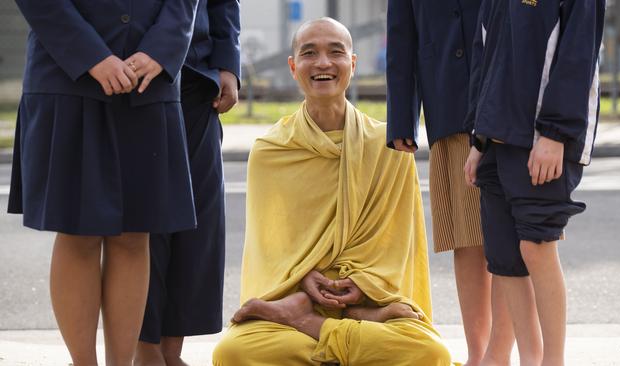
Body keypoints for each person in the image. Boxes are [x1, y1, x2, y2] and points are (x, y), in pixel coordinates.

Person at [212, 18, 457, 366]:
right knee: (233, 353)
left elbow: (398, 244)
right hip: (296, 297)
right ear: (294, 66)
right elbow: (269, 251)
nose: (323, 63)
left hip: (371, 302)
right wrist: (300, 277)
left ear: (352, 64)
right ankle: (323, 325)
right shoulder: (271, 151)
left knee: (430, 353)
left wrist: (362, 287)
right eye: (309, 53)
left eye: (335, 52)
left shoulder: (390, 146)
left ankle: (315, 326)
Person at [8, 1, 198, 365]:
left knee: (135, 233)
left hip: (149, 80)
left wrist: (160, 49)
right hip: (68, 77)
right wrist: (91, 55)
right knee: (78, 231)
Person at [464, 1, 606, 365]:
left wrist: (556, 133)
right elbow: (485, 53)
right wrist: (478, 139)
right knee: (505, 257)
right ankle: (531, 359)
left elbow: (578, 53)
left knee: (536, 246)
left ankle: (552, 361)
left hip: (543, 136)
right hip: (495, 133)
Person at [385, 2, 514, 365]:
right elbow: (401, 34)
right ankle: (478, 354)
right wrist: (401, 119)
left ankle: (499, 353)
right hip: (448, 101)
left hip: (504, 101)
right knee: (465, 239)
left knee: (508, 238)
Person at [135, 1, 240, 365]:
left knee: (200, 220)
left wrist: (228, 63)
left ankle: (170, 351)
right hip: (136, 69)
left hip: (199, 77)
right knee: (146, 223)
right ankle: (144, 348)